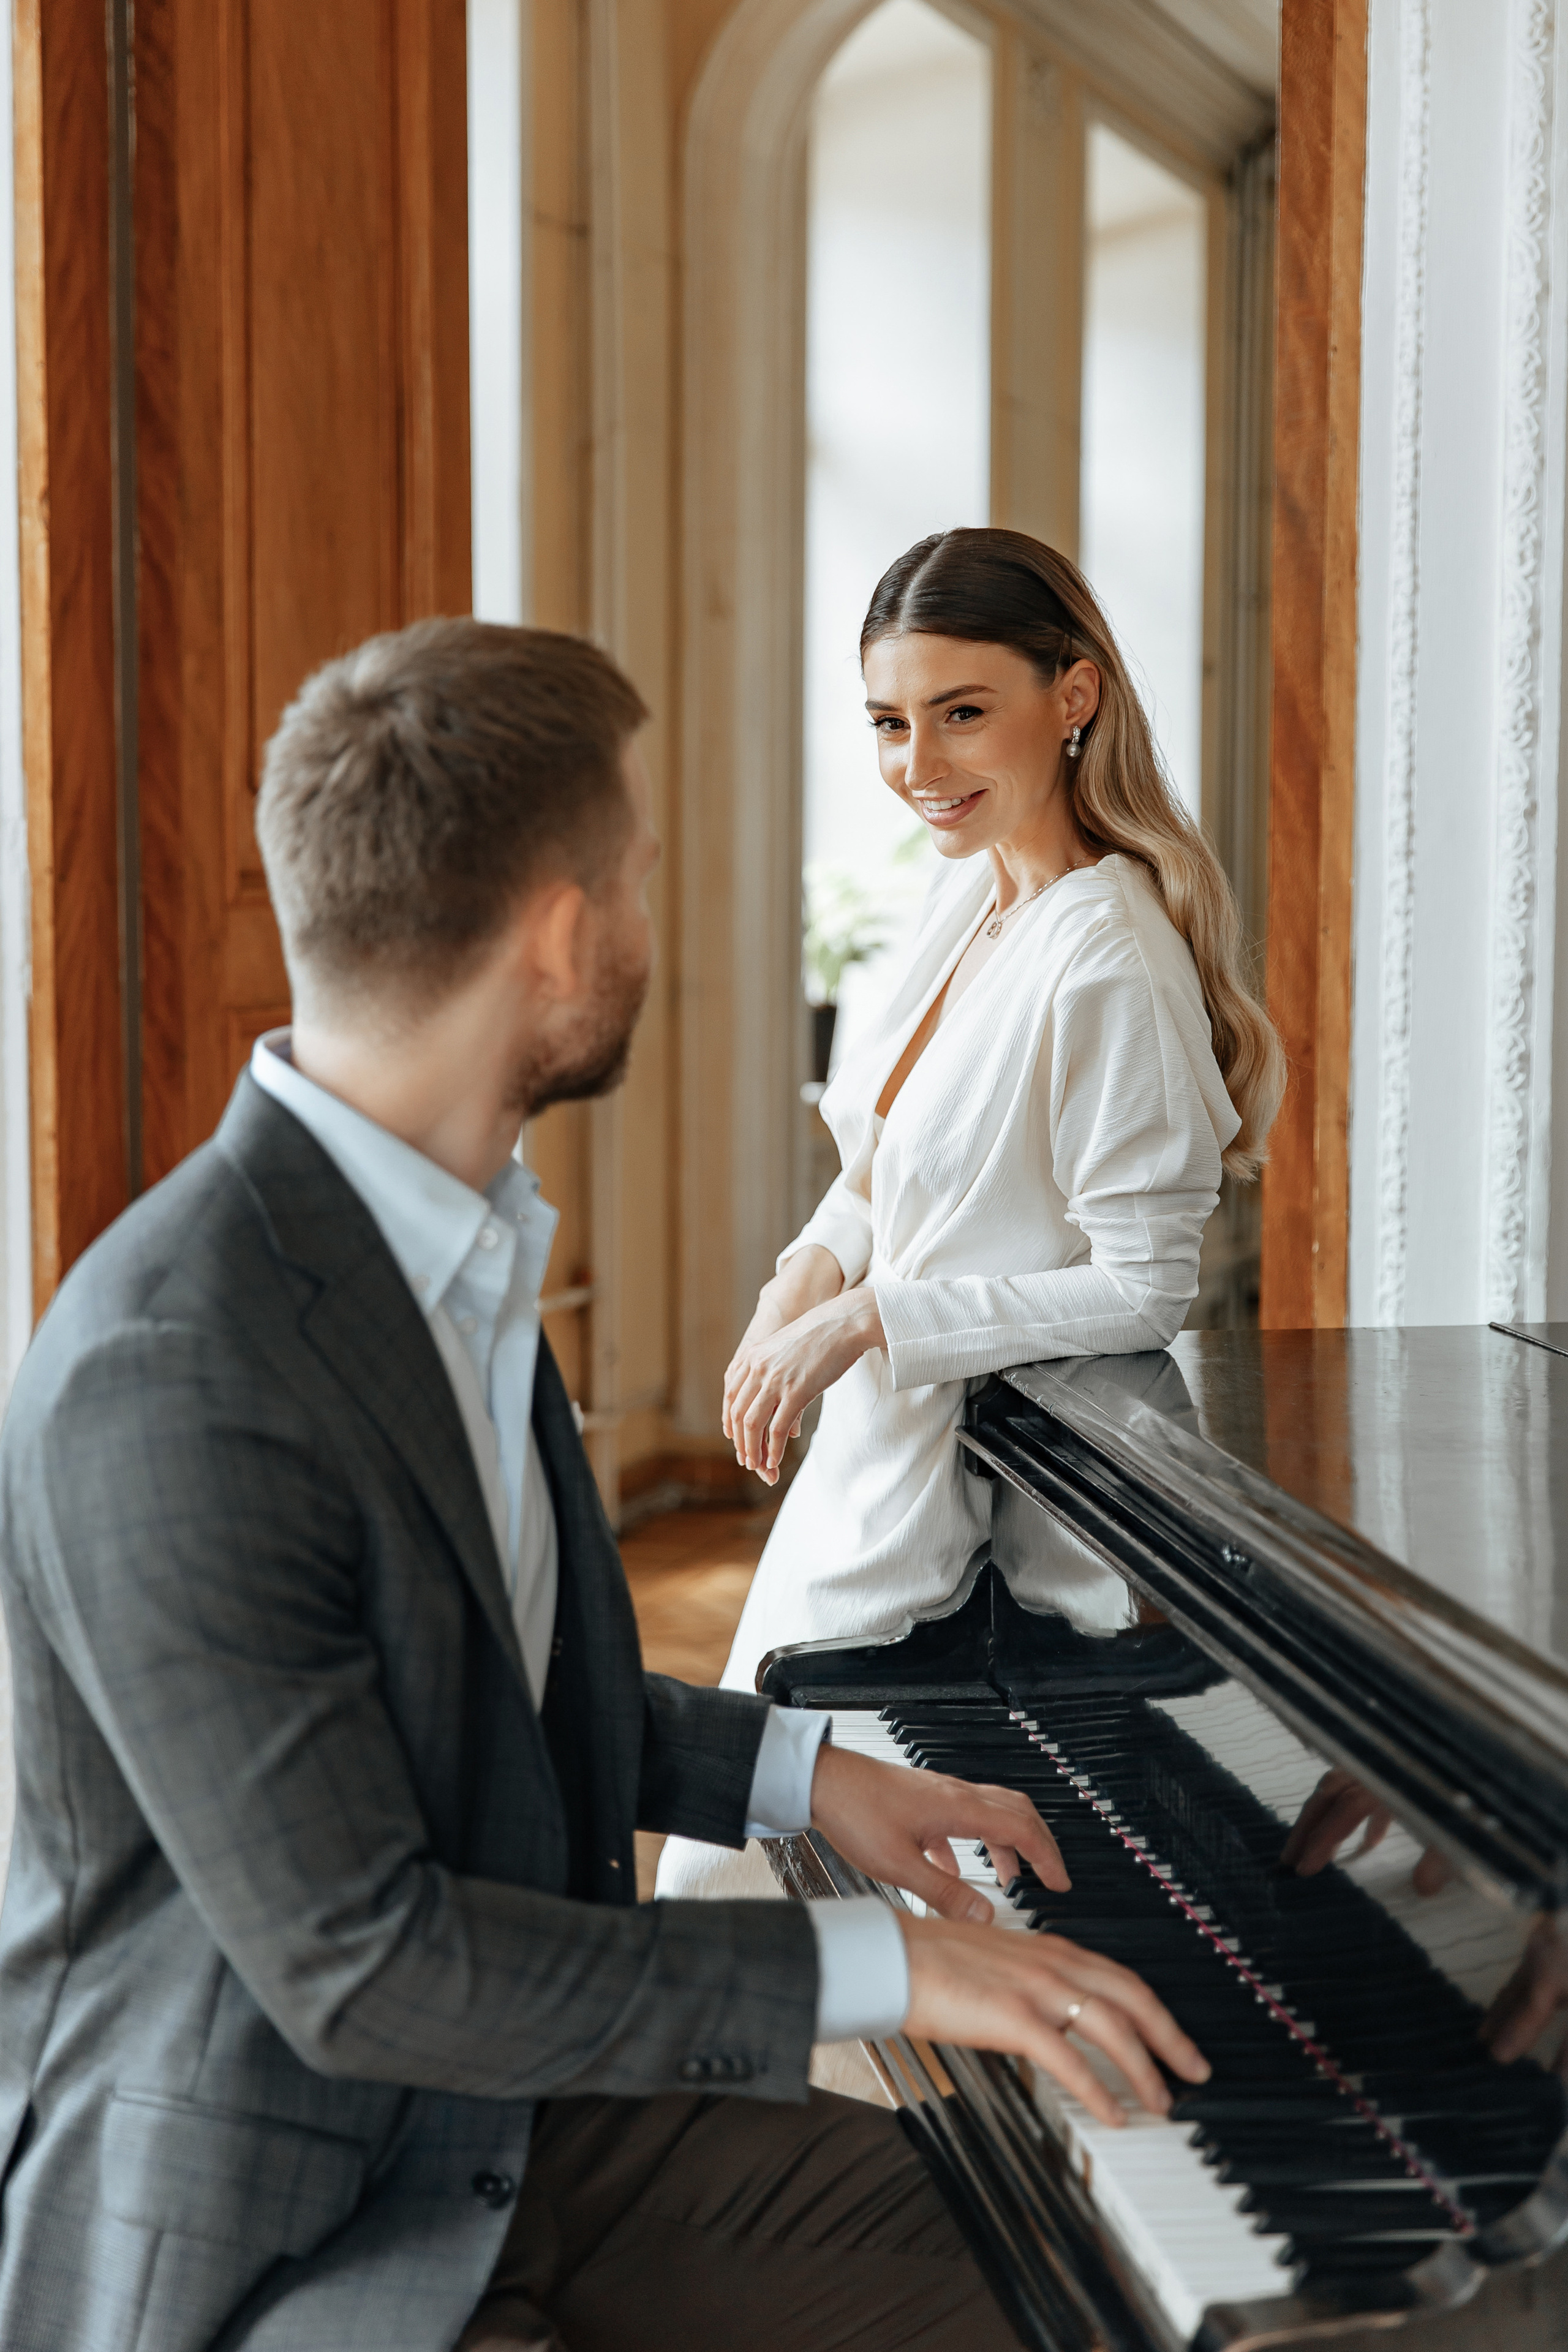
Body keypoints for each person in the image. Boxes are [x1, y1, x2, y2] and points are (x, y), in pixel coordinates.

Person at [0, 618, 1208, 2352]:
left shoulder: (450, 1240)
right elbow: (366, 1967)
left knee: (1093, 2289)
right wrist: (892, 1967)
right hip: (288, 2236)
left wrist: (805, 1776)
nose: (650, 923)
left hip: (529, 2128)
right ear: (566, 935)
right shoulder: (175, 1363)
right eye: (635, 878)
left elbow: (479, 1705)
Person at [658, 529, 1284, 1911]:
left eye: (959, 716)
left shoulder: (1108, 957)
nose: (918, 768)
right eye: (889, 722)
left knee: (740, 1898)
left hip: (961, 1520)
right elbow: (886, 1163)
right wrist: (804, 1275)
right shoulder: (963, 900)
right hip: (866, 1475)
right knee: (734, 1880)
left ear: (1073, 697)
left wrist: (871, 1314)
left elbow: (1142, 1288)